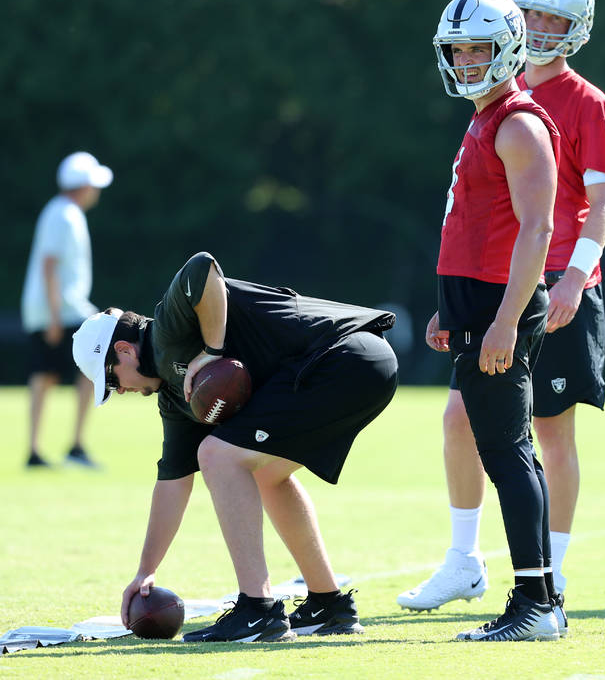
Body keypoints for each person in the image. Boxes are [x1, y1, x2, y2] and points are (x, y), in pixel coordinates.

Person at [397, 0, 605, 627]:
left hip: (532, 288)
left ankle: (542, 584)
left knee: (534, 441)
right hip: (490, 291)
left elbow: (582, 208)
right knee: (476, 430)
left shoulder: (546, 111)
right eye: (538, 16)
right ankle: (474, 562)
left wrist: (571, 279)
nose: (547, 29)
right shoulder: (491, 108)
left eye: (558, 19)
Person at [71, 252, 398, 642]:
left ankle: (257, 610)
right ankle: (329, 605)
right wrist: (146, 571)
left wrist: (211, 350)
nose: (119, 390)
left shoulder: (167, 334)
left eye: (111, 380)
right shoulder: (173, 397)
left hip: (345, 357)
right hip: (355, 364)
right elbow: (173, 481)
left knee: (218, 455)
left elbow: (202, 267)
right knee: (262, 474)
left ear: (124, 350)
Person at [424, 0, 560, 641]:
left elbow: (537, 230)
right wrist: (448, 308)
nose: (468, 59)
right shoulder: (485, 117)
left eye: (479, 47)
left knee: (507, 454)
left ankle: (534, 603)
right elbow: (475, 224)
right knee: (513, 452)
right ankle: (543, 598)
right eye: (459, 49)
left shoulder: (518, 122)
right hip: (476, 305)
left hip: (499, 307)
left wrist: (505, 320)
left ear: (508, 44)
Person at [21, 152, 113, 469]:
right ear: (84, 185)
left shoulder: (62, 212)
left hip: (55, 309)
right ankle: (69, 446)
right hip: (59, 310)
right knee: (86, 365)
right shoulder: (63, 215)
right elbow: (49, 266)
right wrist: (55, 318)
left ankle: (43, 449)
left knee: (48, 374)